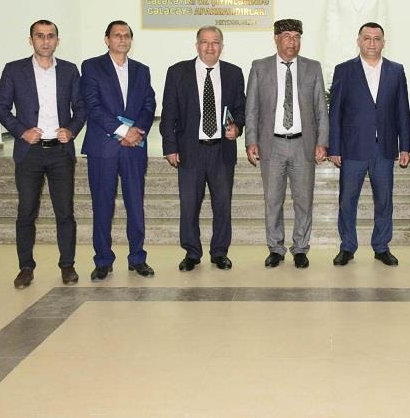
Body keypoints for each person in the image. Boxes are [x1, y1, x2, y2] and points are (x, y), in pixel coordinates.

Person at [0, 19, 86, 289]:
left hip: (60, 153)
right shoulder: (14, 70)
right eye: (40, 36)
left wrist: (71, 130)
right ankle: (26, 268)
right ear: (31, 40)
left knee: (65, 212)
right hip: (29, 153)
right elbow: (0, 107)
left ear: (57, 40)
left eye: (50, 36)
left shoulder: (69, 70)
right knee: (26, 213)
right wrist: (21, 131)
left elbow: (81, 107)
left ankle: (67, 265)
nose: (45, 41)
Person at [159, 26, 245, 271]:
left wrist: (237, 127)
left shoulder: (233, 73)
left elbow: (241, 109)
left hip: (221, 151)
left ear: (222, 46)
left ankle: (220, 252)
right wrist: (170, 147)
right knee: (189, 205)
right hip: (190, 150)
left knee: (222, 205)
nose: (210, 47)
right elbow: (169, 113)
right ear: (197, 45)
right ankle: (192, 253)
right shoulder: (177, 72)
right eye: (205, 42)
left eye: (215, 42)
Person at [245, 19, 329, 269]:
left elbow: (321, 109)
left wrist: (322, 142)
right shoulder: (260, 67)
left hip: (303, 144)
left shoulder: (312, 67)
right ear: (276, 39)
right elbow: (252, 109)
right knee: (273, 200)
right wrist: (251, 140)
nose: (292, 41)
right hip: (272, 145)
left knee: (304, 201)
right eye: (287, 36)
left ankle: (301, 248)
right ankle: (276, 248)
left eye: (296, 36)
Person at [328, 22, 410, 267]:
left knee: (384, 201)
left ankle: (381, 247)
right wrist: (334, 147)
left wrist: (404, 146)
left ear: (384, 42)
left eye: (377, 38)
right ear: (359, 41)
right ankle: (347, 247)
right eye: (367, 38)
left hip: (384, 148)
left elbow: (402, 111)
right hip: (352, 149)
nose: (372, 43)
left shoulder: (396, 70)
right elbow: (336, 112)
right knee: (347, 201)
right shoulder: (344, 70)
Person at [80, 20, 157, 281]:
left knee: (135, 205)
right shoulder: (92, 67)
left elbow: (149, 104)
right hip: (104, 148)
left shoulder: (141, 70)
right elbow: (93, 105)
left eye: (126, 35)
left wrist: (137, 132)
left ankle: (138, 258)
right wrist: (124, 131)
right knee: (102, 205)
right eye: (117, 35)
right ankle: (103, 260)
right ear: (107, 39)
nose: (122, 39)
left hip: (134, 148)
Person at [325, 0, 389, 76]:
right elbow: (332, 14)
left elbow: (381, 16)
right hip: (343, 45)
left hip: (370, 47)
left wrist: (378, 41)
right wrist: (334, 39)